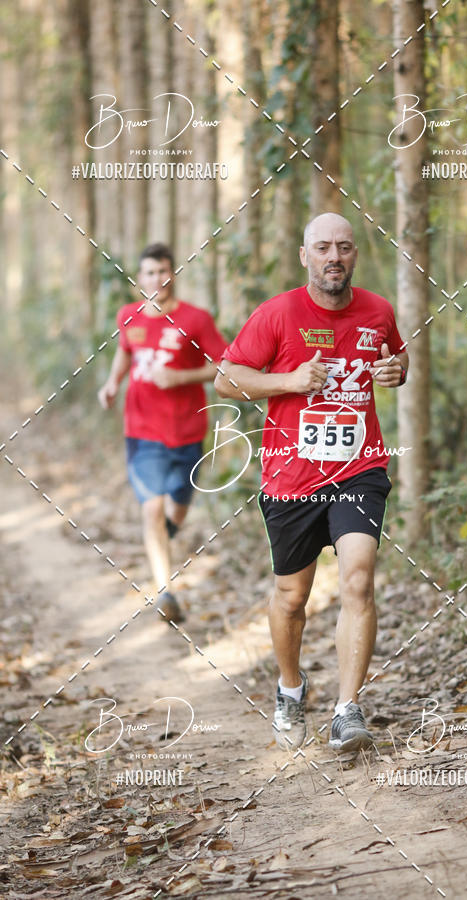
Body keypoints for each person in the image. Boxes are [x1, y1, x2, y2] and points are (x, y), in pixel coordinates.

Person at [215, 213, 408, 753]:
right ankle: (290, 688)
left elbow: (396, 355)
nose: (334, 257)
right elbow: (226, 378)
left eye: (344, 247)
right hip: (291, 473)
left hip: (359, 467)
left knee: (358, 581)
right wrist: (290, 381)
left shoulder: (378, 310)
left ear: (354, 255)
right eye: (323, 247)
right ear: (305, 256)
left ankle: (347, 710)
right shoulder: (277, 314)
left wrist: (397, 371)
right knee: (292, 596)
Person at [98, 242, 227, 624]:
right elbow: (125, 350)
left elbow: (224, 363)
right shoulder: (129, 316)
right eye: (150, 273)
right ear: (140, 280)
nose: (158, 279)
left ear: (173, 275)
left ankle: (161, 540)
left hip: (188, 430)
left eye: (164, 272)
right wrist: (111, 382)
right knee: (152, 509)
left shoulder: (196, 320)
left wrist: (180, 376)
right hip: (142, 430)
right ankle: (164, 591)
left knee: (176, 512)